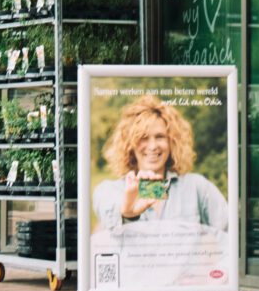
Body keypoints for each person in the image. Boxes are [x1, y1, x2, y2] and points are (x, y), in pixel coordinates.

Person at [91, 93, 230, 233]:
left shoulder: (197, 188)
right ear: (129, 145)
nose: (152, 146)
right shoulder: (108, 190)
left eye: (160, 137)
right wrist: (127, 214)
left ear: (172, 142)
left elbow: (231, 231)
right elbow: (108, 211)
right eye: (143, 138)